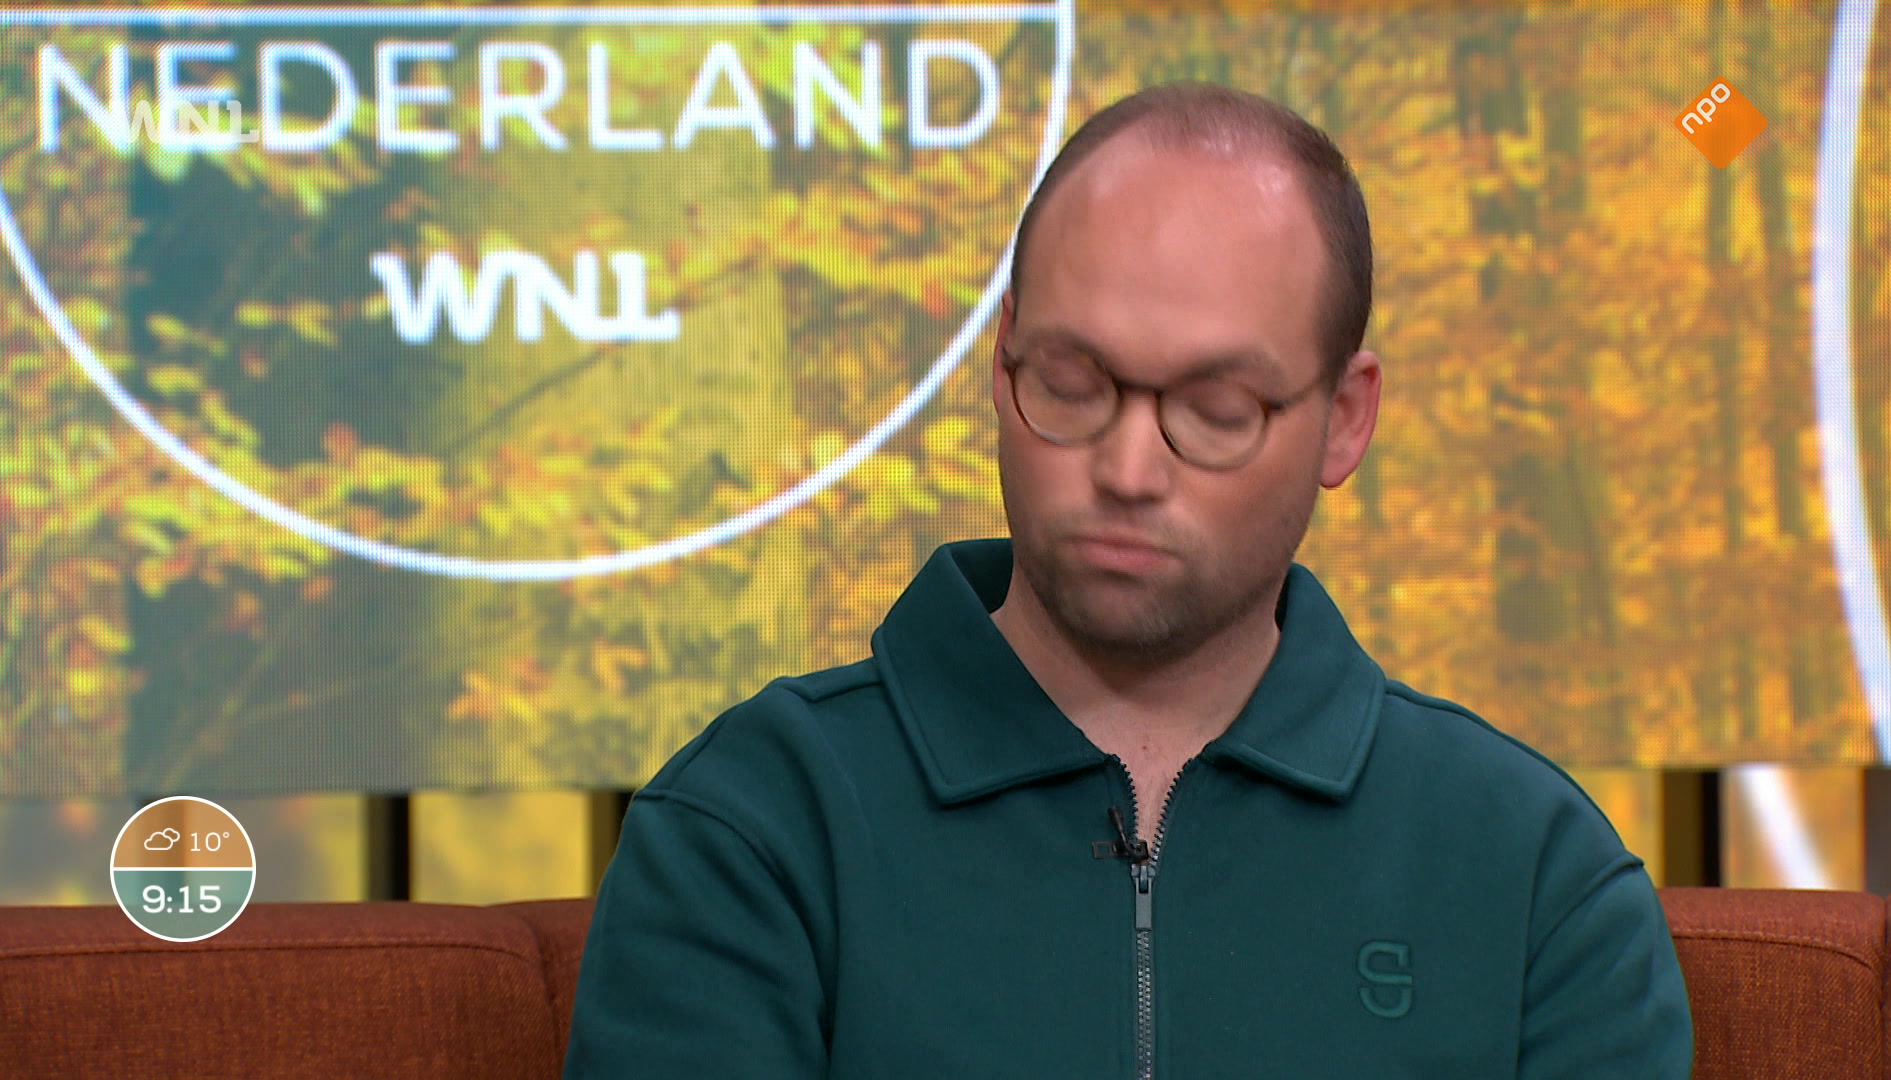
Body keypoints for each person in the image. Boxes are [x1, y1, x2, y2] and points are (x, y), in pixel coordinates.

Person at [563, 83, 1693, 1078]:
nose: (1128, 469)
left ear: (1345, 420)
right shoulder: (754, 825)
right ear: (1001, 360)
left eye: (1216, 409)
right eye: (1072, 383)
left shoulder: (1533, 877)